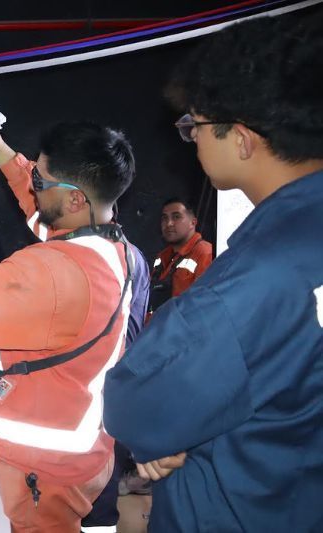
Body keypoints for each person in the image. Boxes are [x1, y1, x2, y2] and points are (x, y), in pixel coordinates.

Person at [104, 12, 323, 532]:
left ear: (242, 139)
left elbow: (136, 404)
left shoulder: (258, 272)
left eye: (193, 127)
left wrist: (174, 434)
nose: (192, 140)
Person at [0, 118, 136, 532]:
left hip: (42, 470)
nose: (33, 185)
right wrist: (2, 152)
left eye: (40, 179)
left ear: (72, 201)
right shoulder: (113, 246)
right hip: (85, 449)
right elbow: (44, 214)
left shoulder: (48, 273)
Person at [146, 197, 213, 318]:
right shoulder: (161, 258)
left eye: (176, 217)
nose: (169, 223)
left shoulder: (204, 253)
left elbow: (207, 308)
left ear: (193, 222)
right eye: (164, 218)